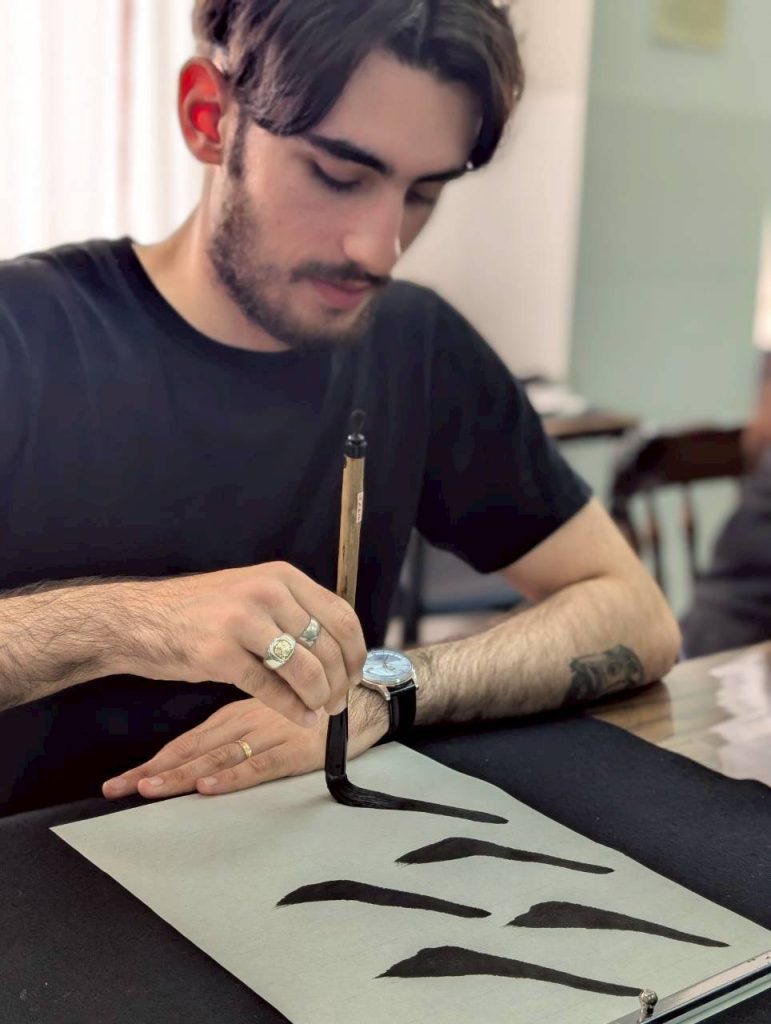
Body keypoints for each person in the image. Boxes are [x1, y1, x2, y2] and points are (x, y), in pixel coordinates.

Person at [0, 0, 680, 814]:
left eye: (423, 193)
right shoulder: (23, 330)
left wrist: (385, 687)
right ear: (209, 117)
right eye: (337, 176)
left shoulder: (412, 342)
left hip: (310, 861)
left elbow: (636, 615)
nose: (379, 249)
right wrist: (130, 622)